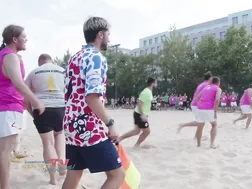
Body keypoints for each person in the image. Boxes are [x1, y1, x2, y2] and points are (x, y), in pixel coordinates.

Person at [61, 17, 124, 189]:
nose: (110, 39)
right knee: (117, 175)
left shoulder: (74, 58)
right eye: (108, 34)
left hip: (70, 125)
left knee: (73, 174)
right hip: (88, 126)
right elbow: (92, 98)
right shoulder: (96, 58)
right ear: (100, 35)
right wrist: (110, 124)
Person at [0, 25, 45, 189]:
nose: (26, 39)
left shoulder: (5, 55)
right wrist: (36, 101)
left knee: (5, 150)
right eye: (24, 37)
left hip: (9, 108)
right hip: (8, 108)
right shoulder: (10, 56)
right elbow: (18, 83)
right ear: (14, 39)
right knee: (5, 151)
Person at [24, 54, 66, 185]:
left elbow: (25, 97)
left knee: (48, 144)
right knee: (60, 134)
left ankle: (53, 179)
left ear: (40, 62)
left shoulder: (33, 72)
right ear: (51, 61)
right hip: (61, 107)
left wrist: (32, 113)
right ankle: (62, 165)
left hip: (42, 108)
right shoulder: (62, 70)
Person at [118, 77, 156, 148]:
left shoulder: (149, 92)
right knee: (147, 132)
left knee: (136, 131)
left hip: (138, 113)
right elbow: (139, 103)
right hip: (139, 114)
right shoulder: (146, 92)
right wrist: (142, 115)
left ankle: (120, 138)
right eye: (156, 82)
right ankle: (136, 145)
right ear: (153, 83)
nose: (156, 84)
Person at [194, 77, 222, 148]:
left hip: (200, 108)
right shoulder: (218, 89)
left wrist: (199, 105)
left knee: (200, 126)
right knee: (214, 125)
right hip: (209, 108)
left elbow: (197, 98)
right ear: (218, 82)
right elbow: (217, 100)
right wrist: (215, 111)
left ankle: (198, 144)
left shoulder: (206, 87)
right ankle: (212, 144)